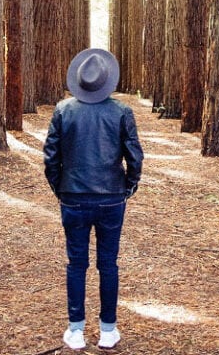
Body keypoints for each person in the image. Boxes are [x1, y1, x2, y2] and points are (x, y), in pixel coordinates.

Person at [43, 48, 144, 350]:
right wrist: (128, 185)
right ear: (106, 81)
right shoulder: (121, 112)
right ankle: (107, 331)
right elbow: (134, 156)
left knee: (76, 264)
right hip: (111, 198)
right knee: (108, 264)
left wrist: (61, 189)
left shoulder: (63, 110)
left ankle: (75, 331)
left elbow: (51, 158)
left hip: (73, 197)